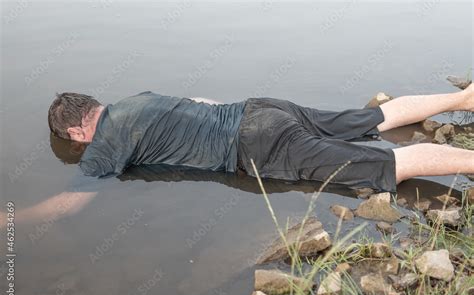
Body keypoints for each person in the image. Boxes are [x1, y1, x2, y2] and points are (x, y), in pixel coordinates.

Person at [2, 86, 473, 227]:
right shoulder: (136, 99)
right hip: (259, 108)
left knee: (385, 165)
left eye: (73, 141)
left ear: (77, 130)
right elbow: (201, 101)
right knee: (372, 119)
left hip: (257, 146)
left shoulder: (102, 147)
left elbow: (68, 205)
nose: (79, 147)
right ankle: (464, 98)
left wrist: (8, 219)